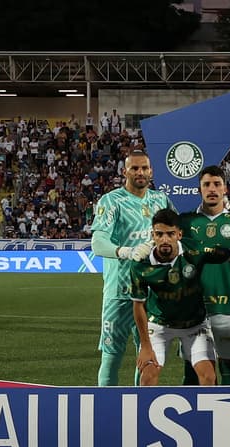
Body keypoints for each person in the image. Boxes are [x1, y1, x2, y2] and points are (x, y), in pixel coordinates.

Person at [91, 149, 174, 386]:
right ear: (124, 171)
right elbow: (98, 243)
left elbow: (178, 232)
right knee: (111, 356)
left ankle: (139, 408)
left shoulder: (160, 200)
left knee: (148, 357)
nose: (140, 172)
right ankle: (104, 410)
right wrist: (125, 251)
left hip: (152, 291)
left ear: (151, 172)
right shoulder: (111, 201)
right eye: (135, 168)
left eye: (144, 168)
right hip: (120, 291)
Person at [131, 208, 230, 386]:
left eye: (170, 234)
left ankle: (209, 412)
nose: (165, 239)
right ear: (153, 235)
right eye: (159, 234)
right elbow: (138, 306)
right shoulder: (140, 264)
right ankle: (142, 412)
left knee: (209, 378)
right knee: (148, 377)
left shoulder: (195, 250)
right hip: (158, 325)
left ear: (179, 234)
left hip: (194, 325)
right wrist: (145, 346)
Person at [179, 165, 230, 385]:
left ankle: (226, 417)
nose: (212, 189)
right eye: (206, 184)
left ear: (225, 189)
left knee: (229, 372)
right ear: (199, 189)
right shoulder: (185, 223)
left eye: (217, 184)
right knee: (193, 372)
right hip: (194, 311)